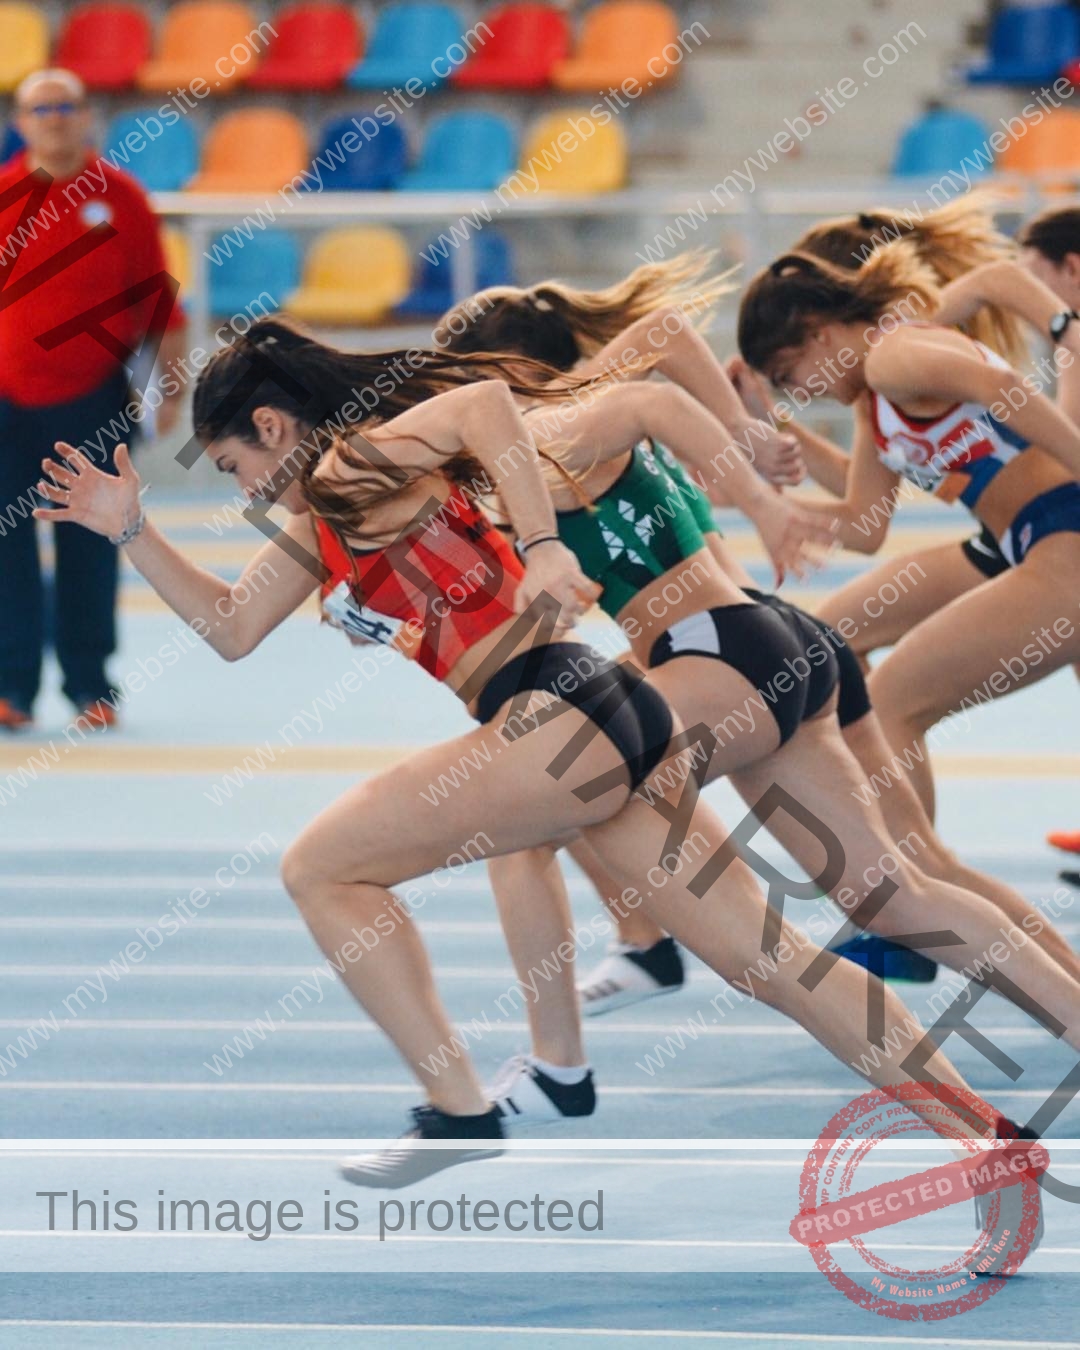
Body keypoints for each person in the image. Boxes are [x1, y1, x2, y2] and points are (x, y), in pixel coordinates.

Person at [35, 318, 1023, 1187]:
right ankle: (988, 1141)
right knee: (775, 964)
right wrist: (131, 531)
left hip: (555, 715)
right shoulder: (319, 522)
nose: (241, 487)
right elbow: (232, 629)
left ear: (273, 428)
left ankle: (458, 1107)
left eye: (232, 465)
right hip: (605, 714)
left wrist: (547, 544)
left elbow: (488, 405)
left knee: (322, 869)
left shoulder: (354, 461)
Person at [438, 267, 1080, 1032]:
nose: (460, 415)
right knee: (908, 885)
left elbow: (659, 371)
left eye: (461, 391)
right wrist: (758, 439)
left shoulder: (565, 425)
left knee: (537, 801)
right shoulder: (564, 440)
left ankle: (608, 994)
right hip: (776, 636)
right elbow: (857, 520)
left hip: (731, 651)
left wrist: (754, 479)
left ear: (500, 378)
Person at [736, 242, 1080, 826]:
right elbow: (863, 523)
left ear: (817, 333)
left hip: (1060, 535)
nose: (801, 393)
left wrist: (1065, 333)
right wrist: (764, 488)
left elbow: (1000, 386)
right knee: (864, 672)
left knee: (890, 700)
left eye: (788, 377)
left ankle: (919, 887)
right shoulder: (875, 402)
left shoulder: (890, 358)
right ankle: (919, 884)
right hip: (1033, 545)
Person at [0, 68, 187, 732]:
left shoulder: (123, 198)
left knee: (93, 542)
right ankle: (11, 688)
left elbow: (159, 301)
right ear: (21, 122)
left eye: (66, 106)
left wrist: (172, 383)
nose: (54, 117)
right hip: (7, 404)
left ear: (87, 117)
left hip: (93, 401)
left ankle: (91, 686)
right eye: (40, 107)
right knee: (5, 548)